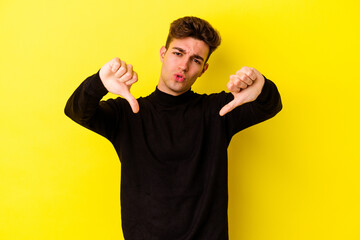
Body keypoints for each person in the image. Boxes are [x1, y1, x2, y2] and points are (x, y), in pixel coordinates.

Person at [65, 16, 282, 240]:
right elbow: (76, 111)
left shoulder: (219, 111)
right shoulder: (129, 112)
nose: (184, 65)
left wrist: (262, 87)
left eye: (196, 60)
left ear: (204, 69)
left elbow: (270, 106)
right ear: (163, 54)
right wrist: (100, 82)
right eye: (178, 53)